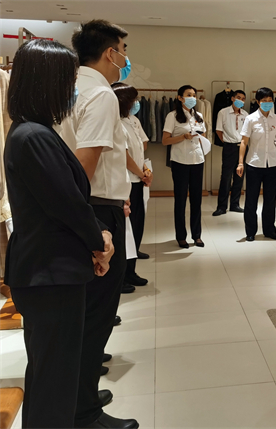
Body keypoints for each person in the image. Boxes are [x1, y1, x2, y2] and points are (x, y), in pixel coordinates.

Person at [5, 39, 115, 429]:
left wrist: (98, 234)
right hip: (50, 273)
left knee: (51, 374)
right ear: (47, 82)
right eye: (69, 80)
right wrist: (100, 241)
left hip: (48, 270)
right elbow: (67, 203)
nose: (73, 89)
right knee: (54, 380)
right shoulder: (33, 136)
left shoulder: (33, 132)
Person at [59, 19, 138, 429]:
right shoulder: (102, 94)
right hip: (95, 208)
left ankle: (80, 395)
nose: (125, 58)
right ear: (110, 53)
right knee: (97, 314)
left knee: (83, 313)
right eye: (123, 50)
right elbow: (84, 165)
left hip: (82, 205)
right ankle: (85, 412)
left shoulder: (67, 87)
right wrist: (91, 225)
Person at [112, 83, 153, 289]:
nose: (136, 103)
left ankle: (131, 270)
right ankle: (122, 276)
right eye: (133, 100)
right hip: (127, 181)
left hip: (138, 179)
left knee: (137, 226)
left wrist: (145, 170)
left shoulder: (133, 120)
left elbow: (140, 150)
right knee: (125, 231)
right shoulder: (117, 123)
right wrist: (140, 173)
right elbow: (125, 155)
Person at [237, 87, 276, 241]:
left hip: (273, 164)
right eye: (264, 100)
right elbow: (244, 142)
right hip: (254, 164)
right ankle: (250, 231)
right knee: (251, 199)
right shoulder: (250, 119)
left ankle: (269, 230)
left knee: (270, 199)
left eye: (270, 100)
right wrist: (240, 163)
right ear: (258, 102)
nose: (267, 103)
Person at [162, 85, 206, 248]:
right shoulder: (172, 116)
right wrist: (183, 137)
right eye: (189, 95)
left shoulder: (199, 116)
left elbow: (203, 135)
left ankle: (197, 235)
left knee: (197, 199)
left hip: (197, 160)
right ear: (180, 97)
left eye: (194, 95)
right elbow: (165, 140)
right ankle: (181, 236)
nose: (192, 98)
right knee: (180, 200)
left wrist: (201, 138)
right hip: (180, 161)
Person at [213, 90, 248, 216]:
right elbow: (218, 130)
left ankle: (235, 204)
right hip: (229, 147)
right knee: (226, 177)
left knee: (239, 176)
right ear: (232, 98)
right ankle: (222, 206)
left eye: (243, 99)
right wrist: (227, 142)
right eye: (238, 97)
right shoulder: (223, 112)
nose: (241, 100)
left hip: (242, 146)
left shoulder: (246, 114)